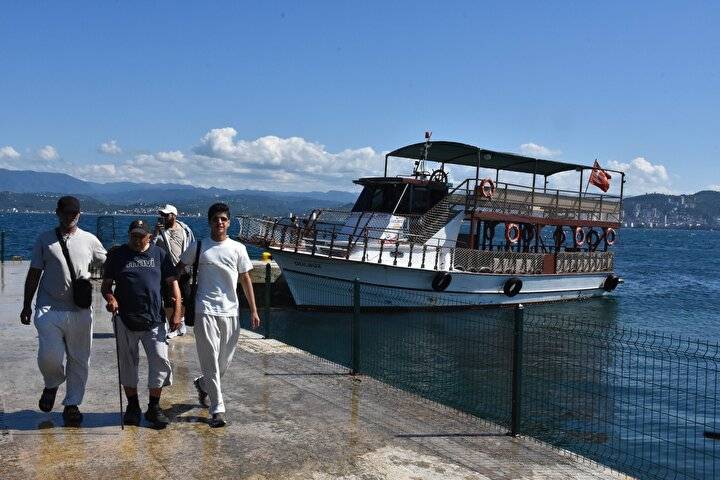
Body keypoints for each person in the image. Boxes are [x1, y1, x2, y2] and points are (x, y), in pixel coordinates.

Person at [20, 196, 107, 425]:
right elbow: (34, 273)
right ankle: (51, 383)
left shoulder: (90, 240)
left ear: (79, 214)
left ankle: (72, 404)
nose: (70, 217)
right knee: (50, 355)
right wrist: (26, 305)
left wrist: (96, 283)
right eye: (66, 213)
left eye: (74, 213)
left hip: (80, 309)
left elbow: (106, 263)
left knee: (80, 359)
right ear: (57, 213)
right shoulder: (44, 239)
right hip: (49, 307)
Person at [176, 202, 260, 428]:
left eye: (223, 219)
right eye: (216, 219)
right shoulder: (199, 245)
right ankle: (217, 409)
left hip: (231, 312)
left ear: (229, 222)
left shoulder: (238, 249)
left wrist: (253, 309)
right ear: (210, 222)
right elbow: (180, 267)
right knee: (210, 360)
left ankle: (203, 384)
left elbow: (245, 279)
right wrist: (174, 298)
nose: (220, 222)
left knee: (224, 362)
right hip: (205, 310)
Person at [101, 220, 182, 427]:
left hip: (154, 318)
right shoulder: (117, 255)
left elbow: (173, 284)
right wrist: (111, 299)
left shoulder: (159, 255)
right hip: (125, 318)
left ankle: (154, 407)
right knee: (128, 363)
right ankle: (132, 406)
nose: (136, 240)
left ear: (148, 236)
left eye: (140, 236)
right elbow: (106, 286)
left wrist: (177, 312)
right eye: (133, 236)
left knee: (160, 360)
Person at [153, 204, 195, 338]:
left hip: (183, 269)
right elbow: (151, 247)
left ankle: (180, 323)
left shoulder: (185, 230)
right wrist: (155, 233)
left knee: (185, 297)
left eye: (166, 215)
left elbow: (192, 246)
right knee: (168, 299)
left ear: (174, 216)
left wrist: (191, 263)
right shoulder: (159, 231)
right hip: (166, 270)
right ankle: (172, 326)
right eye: (162, 215)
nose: (163, 217)